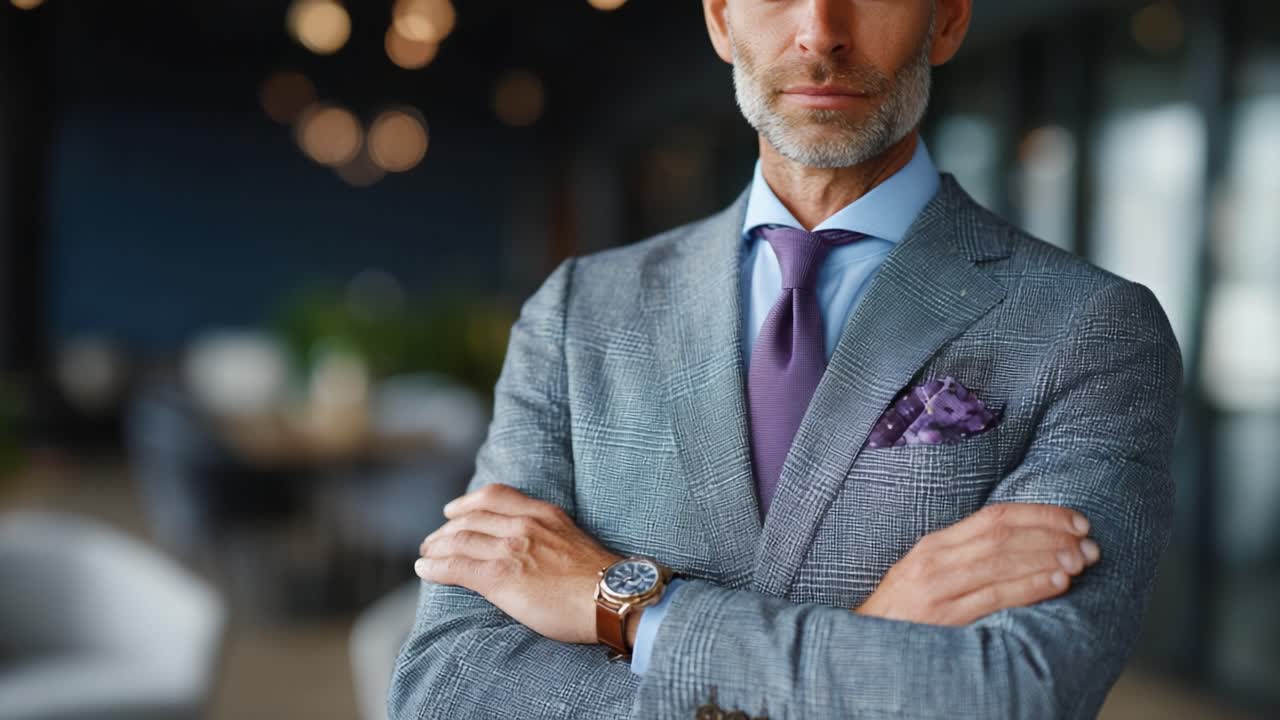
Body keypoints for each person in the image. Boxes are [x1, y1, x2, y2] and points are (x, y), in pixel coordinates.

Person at [389, 0, 1183, 717]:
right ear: (719, 19)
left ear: (946, 20)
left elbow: (1018, 690)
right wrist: (867, 642)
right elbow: (447, 687)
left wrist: (627, 608)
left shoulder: (1093, 328)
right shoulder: (576, 312)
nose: (819, 32)